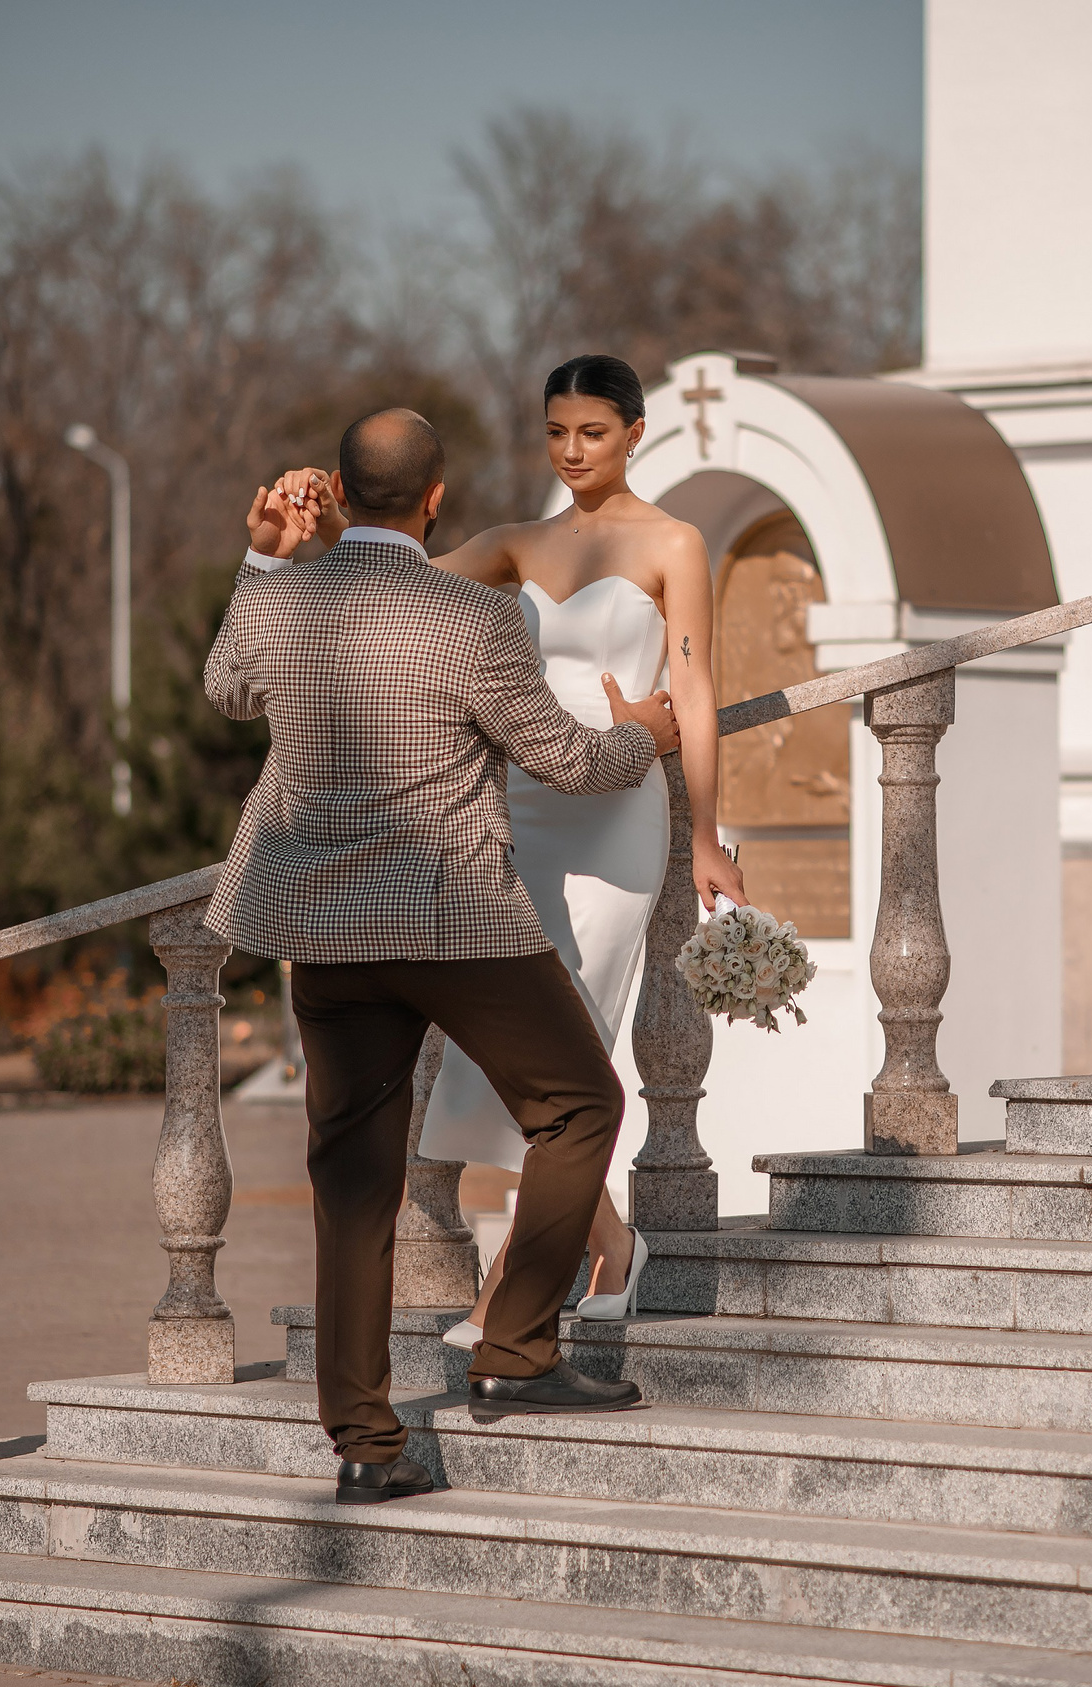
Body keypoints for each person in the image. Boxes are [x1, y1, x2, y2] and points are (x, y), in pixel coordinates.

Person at [206, 406, 680, 1507]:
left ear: (336, 490)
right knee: (578, 1108)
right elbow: (566, 760)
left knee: (354, 1187)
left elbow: (226, 691)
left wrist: (263, 554)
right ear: (434, 500)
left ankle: (368, 1447)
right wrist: (646, 737)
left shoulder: (281, 599)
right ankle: (517, 1350)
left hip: (322, 933)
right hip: (451, 922)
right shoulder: (470, 616)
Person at [273, 354, 748, 1348]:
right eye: (556, 433)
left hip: (618, 812)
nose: (573, 451)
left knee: (575, 1039)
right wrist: (316, 537)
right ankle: (610, 1246)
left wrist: (704, 832)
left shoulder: (674, 543)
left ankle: (505, 1294)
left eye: (593, 432)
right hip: (521, 811)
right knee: (514, 1054)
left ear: (633, 432)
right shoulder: (513, 544)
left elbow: (694, 696)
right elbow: (386, 587)